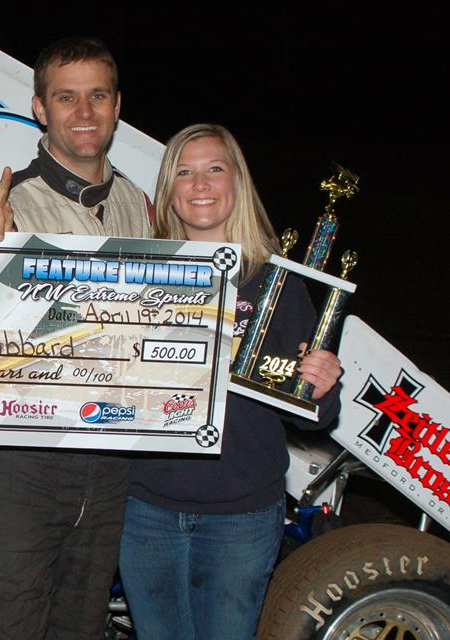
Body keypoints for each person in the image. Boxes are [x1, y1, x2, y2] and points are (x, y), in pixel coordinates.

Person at [0, 36, 153, 639]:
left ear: (117, 105)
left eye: (98, 96)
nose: (85, 112)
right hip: (24, 461)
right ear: (40, 108)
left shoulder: (140, 206)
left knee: (81, 626)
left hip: (111, 460)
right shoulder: (6, 206)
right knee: (0, 625)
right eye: (67, 98)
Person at [118, 124, 342, 640]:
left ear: (237, 183)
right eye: (185, 172)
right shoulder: (135, 275)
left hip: (242, 514)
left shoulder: (278, 284)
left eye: (214, 169)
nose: (200, 184)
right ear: (169, 190)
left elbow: (311, 415)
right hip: (146, 507)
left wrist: (322, 385)